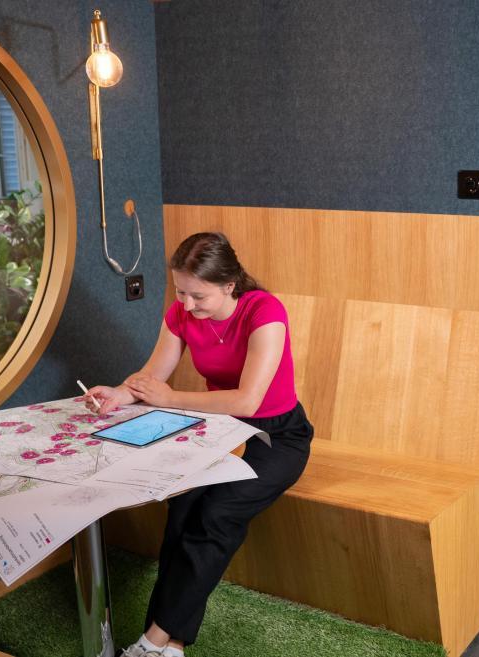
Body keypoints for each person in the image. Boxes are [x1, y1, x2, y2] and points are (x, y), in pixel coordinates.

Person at [86, 232, 313, 657]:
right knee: (184, 506)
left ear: (229, 285)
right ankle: (171, 646)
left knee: (217, 513)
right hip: (221, 431)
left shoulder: (265, 311)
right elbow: (152, 376)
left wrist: (170, 399)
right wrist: (118, 393)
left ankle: (151, 641)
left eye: (198, 295)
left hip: (278, 435)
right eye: (180, 292)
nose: (187, 304)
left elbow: (248, 401)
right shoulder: (181, 312)